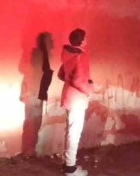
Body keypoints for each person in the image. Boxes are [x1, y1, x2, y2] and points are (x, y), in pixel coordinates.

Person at [58, 28, 93, 176]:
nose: (87, 40)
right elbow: (78, 81)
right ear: (82, 40)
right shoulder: (81, 56)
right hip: (77, 99)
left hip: (67, 96)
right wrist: (89, 89)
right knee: (74, 133)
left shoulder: (67, 54)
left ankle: (67, 163)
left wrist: (72, 79)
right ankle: (70, 169)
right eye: (86, 37)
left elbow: (61, 74)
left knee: (69, 131)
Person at [20, 32, 54, 156]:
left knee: (34, 123)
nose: (52, 43)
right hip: (34, 94)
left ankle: (29, 151)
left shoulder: (40, 55)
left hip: (35, 94)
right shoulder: (38, 55)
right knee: (32, 124)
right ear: (44, 42)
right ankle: (28, 152)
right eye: (50, 40)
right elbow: (31, 72)